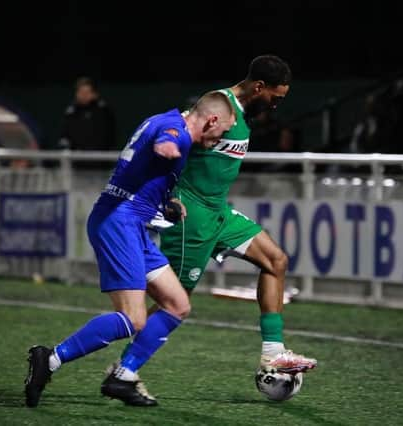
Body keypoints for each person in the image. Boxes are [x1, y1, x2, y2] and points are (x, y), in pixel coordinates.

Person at [102, 55, 317, 402]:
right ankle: (124, 369)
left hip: (219, 213)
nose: (276, 106)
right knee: (174, 304)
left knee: (275, 260)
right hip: (192, 220)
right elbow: (179, 142)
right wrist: (165, 194)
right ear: (258, 87)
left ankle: (272, 353)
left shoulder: (241, 115)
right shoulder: (219, 110)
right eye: (275, 98)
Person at [24, 91, 236, 408]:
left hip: (131, 224)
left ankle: (122, 377)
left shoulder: (165, 118)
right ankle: (50, 359)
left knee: (177, 304)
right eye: (225, 131)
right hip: (118, 223)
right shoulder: (175, 131)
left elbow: (146, 168)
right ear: (212, 120)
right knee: (133, 318)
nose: (224, 138)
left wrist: (168, 201)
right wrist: (167, 147)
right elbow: (166, 140)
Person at [58, 76, 118, 152]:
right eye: (81, 92)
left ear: (95, 94)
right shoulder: (71, 112)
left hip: (99, 157)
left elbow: (109, 138)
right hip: (76, 157)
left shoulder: (104, 111)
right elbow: (64, 136)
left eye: (87, 92)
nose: (83, 96)